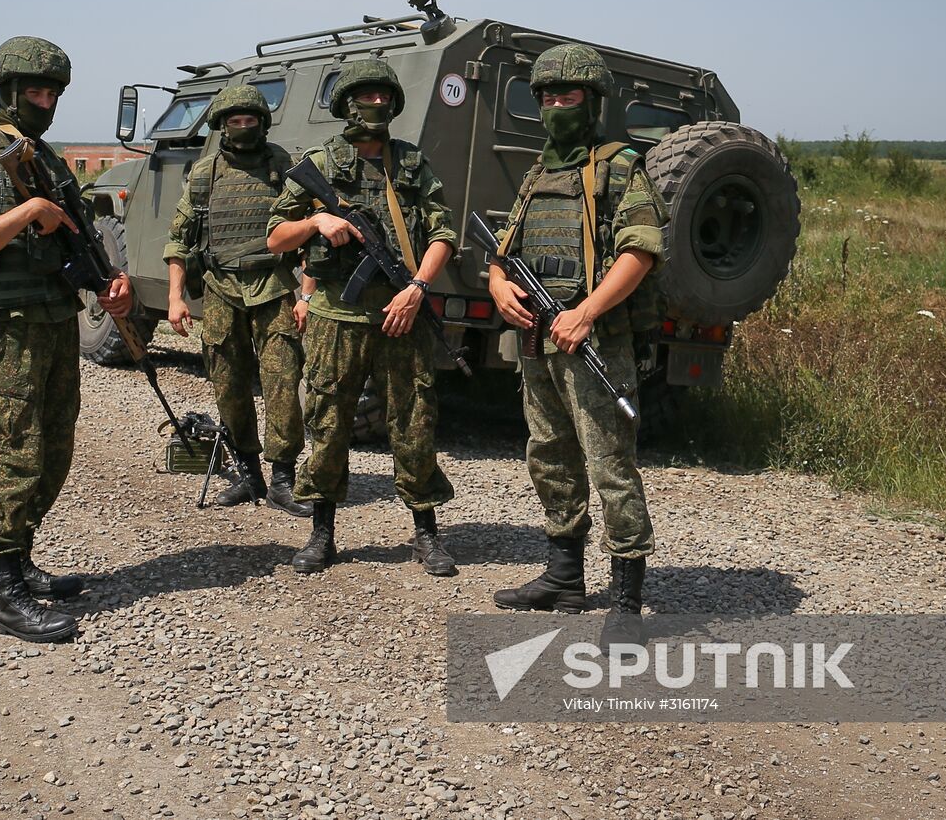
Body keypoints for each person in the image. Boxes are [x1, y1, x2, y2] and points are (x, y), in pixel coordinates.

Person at [0, 36, 133, 643]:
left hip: (54, 322)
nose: (44, 101)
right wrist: (27, 214)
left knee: (53, 448)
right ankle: (5, 592)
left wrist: (112, 283)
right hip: (10, 326)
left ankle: (22, 560)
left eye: (52, 92)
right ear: (10, 93)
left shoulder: (46, 160)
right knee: (12, 449)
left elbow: (78, 239)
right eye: (35, 92)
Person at [486, 43, 668, 640]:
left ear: (592, 103)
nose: (556, 105)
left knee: (610, 465)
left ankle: (627, 603)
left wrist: (587, 312)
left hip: (595, 342)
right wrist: (497, 286)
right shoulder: (540, 172)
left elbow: (639, 250)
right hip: (539, 339)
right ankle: (564, 577)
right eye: (547, 96)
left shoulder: (619, 166)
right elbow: (503, 251)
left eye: (569, 96)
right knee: (549, 456)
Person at [267, 58, 458, 576]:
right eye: (365, 96)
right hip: (335, 315)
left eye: (383, 96)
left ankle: (426, 532)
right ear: (347, 103)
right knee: (328, 421)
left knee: (414, 421)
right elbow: (275, 236)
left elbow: (443, 234)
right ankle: (322, 532)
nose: (375, 105)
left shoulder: (411, 163)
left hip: (402, 313)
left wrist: (418, 288)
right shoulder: (321, 163)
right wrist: (316, 219)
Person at [162, 85, 310, 517]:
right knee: (228, 385)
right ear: (222, 126)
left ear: (262, 123)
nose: (242, 128)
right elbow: (177, 239)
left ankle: (283, 478)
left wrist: (306, 294)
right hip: (221, 288)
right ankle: (249, 474)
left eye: (250, 120)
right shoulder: (205, 174)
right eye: (234, 121)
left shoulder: (284, 166)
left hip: (273, 287)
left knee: (283, 382)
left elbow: (312, 235)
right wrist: (175, 298)